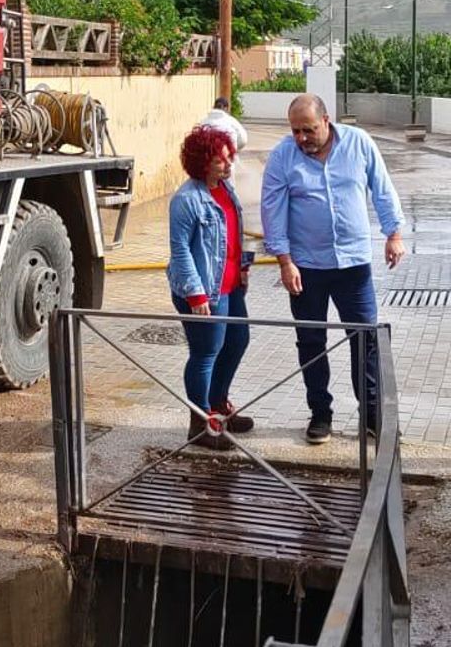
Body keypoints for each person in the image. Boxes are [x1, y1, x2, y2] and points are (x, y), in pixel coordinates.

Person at [261, 94, 405, 444]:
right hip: (306, 267)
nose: (301, 138)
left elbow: (382, 189)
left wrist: (394, 233)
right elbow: (272, 209)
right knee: (311, 341)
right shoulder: (283, 156)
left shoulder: (359, 143)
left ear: (326, 121)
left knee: (365, 339)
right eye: (295, 131)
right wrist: (284, 260)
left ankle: (371, 415)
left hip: (353, 265)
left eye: (308, 129)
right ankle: (320, 413)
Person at [167, 125, 253, 451]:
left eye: (230, 157)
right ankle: (201, 424)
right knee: (205, 354)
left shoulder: (225, 191)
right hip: (205, 292)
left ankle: (218, 405)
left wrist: (243, 265)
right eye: (221, 159)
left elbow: (232, 233)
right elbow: (181, 250)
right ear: (203, 162)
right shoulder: (187, 200)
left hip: (229, 286)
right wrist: (195, 293)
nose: (229, 164)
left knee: (238, 341)